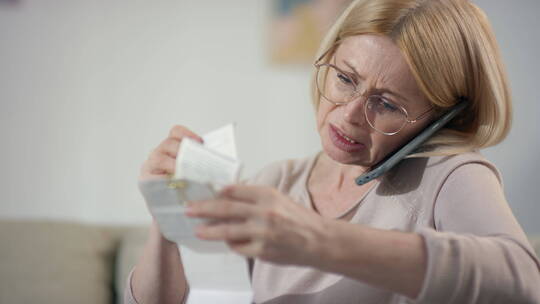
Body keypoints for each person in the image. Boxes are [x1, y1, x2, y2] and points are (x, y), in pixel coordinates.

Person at [125, 0, 540, 303]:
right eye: (345, 78)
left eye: (389, 104)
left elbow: (523, 282)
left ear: (441, 118)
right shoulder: (278, 181)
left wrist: (318, 239)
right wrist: (168, 217)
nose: (350, 115)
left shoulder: (448, 176)